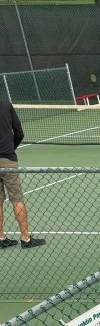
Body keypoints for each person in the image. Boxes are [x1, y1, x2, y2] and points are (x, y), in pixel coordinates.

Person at [0, 101, 44, 249]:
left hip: (7, 156)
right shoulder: (6, 105)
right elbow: (19, 132)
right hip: (8, 160)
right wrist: (10, 149)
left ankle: (1, 237)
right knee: (17, 199)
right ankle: (26, 238)